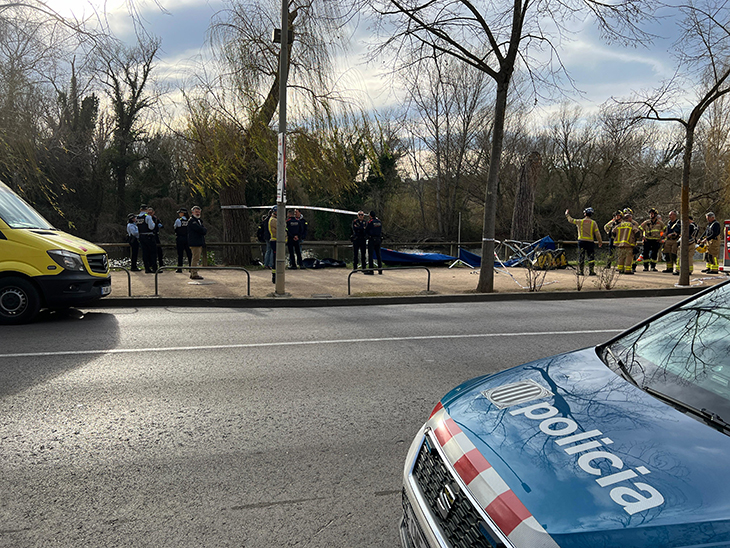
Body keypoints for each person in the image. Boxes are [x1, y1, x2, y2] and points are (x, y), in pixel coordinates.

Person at [565, 207, 603, 276]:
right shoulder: (593, 223)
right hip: (590, 242)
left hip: (581, 241)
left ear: (585, 214)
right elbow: (597, 233)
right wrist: (600, 242)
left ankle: (581, 271)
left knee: (581, 256)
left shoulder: (580, 221)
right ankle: (591, 271)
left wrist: (567, 215)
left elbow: (571, 220)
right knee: (591, 257)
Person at [612, 209, 641, 274]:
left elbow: (613, 232)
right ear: (629, 218)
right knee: (629, 258)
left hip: (620, 245)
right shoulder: (631, 225)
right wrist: (635, 239)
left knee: (621, 258)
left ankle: (620, 270)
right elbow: (637, 232)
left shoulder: (619, 225)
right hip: (629, 245)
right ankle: (627, 271)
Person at [639, 207, 665, 272]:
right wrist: (642, 236)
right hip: (647, 240)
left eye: (652, 214)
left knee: (654, 253)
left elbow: (665, 230)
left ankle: (653, 267)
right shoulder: (646, 222)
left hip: (656, 240)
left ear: (656, 215)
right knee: (646, 253)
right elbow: (640, 228)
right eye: (650, 214)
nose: (651, 215)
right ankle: (646, 267)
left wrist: (661, 237)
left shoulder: (660, 223)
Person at [135, 204, 157, 273]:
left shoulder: (137, 217)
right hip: (149, 236)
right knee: (153, 253)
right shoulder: (148, 217)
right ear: (147, 210)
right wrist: (153, 223)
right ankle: (154, 268)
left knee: (145, 253)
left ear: (140, 210)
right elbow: (151, 227)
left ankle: (147, 268)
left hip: (141, 236)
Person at [187, 205, 207, 280]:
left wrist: (203, 230)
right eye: (196, 211)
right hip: (195, 242)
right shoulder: (192, 221)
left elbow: (203, 230)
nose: (198, 213)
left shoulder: (198, 221)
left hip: (198, 242)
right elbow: (201, 230)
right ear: (192, 212)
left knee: (196, 258)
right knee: (195, 258)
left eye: (199, 211)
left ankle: (193, 273)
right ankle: (194, 273)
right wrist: (203, 229)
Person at [174, 208, 192, 273]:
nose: (179, 214)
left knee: (180, 254)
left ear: (182, 213)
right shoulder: (189, 220)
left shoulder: (178, 220)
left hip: (180, 238)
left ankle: (179, 268)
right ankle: (191, 267)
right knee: (189, 254)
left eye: (180, 213)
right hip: (188, 238)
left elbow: (175, 227)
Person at [365, 210, 383, 275]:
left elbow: (366, 230)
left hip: (372, 239)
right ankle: (380, 269)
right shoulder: (379, 221)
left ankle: (371, 270)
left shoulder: (370, 222)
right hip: (378, 239)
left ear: (370, 216)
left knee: (371, 255)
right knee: (378, 255)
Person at [268, 206, 278, 283]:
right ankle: (274, 276)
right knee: (275, 259)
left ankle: (277, 275)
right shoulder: (274, 220)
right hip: (275, 240)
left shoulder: (275, 219)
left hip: (277, 241)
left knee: (277, 259)